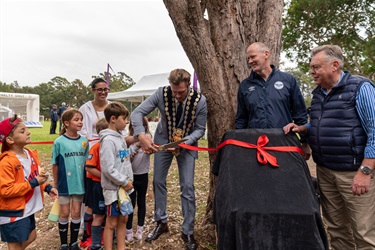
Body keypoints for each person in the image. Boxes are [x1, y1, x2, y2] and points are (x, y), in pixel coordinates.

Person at [283, 44, 375, 249]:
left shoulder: (360, 87)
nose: (311, 71)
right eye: (311, 67)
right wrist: (303, 128)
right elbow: (321, 122)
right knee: (337, 229)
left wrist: (366, 171)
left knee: (363, 231)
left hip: (354, 173)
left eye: (316, 67)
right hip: (326, 172)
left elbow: (374, 130)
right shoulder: (318, 94)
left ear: (334, 65)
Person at [130, 68, 207, 250]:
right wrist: (141, 135)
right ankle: (161, 222)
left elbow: (200, 129)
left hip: (186, 144)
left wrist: (185, 141)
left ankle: (187, 230)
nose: (177, 95)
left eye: (181, 92)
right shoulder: (161, 93)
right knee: (158, 181)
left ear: (188, 85)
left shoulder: (200, 101)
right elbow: (137, 113)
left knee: (187, 186)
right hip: (163, 141)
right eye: (174, 91)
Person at [235, 42, 310, 158]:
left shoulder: (288, 80)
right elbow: (241, 119)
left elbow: (300, 114)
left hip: (284, 144)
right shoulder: (245, 85)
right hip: (256, 146)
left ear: (266, 54)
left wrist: (304, 142)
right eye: (248, 58)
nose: (250, 61)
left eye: (253, 57)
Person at [0, 115, 58, 250]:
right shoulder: (6, 163)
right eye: (22, 131)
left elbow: (35, 177)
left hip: (27, 209)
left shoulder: (29, 154)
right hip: (13, 212)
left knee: (31, 237)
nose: (28, 132)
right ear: (9, 139)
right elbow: (5, 190)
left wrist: (47, 187)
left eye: (27, 129)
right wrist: (33, 183)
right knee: (15, 245)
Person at [78, 77, 111, 248]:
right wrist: (98, 145)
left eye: (105, 89)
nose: (103, 92)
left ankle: (106, 226)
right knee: (91, 195)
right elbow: (82, 132)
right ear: (93, 91)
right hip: (92, 154)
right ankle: (87, 229)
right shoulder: (85, 108)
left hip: (110, 154)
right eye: (99, 89)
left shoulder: (111, 106)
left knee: (107, 194)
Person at [99, 102, 135, 250]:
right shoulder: (108, 140)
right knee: (111, 223)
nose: (126, 122)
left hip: (124, 189)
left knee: (123, 219)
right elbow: (108, 169)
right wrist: (123, 181)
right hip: (114, 191)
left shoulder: (120, 137)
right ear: (113, 118)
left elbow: (124, 160)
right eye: (124, 118)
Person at [51, 109, 89, 250]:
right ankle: (63, 244)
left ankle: (73, 243)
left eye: (81, 119)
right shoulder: (59, 142)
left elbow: (87, 164)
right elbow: (55, 164)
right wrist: (55, 184)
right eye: (76, 119)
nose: (80, 122)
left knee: (76, 212)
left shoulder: (84, 142)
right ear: (66, 123)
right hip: (64, 184)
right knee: (64, 213)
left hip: (79, 184)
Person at [84, 118, 108, 250]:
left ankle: (110, 237)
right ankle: (95, 243)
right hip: (98, 185)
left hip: (112, 186)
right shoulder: (96, 147)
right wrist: (106, 177)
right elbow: (89, 167)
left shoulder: (114, 146)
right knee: (98, 213)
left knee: (111, 213)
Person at [126, 117, 151, 242]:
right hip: (131, 176)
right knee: (130, 203)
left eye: (142, 125)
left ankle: (140, 228)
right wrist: (133, 149)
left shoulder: (148, 138)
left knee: (141, 202)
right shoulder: (128, 139)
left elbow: (154, 149)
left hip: (143, 174)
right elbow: (124, 157)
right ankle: (128, 230)